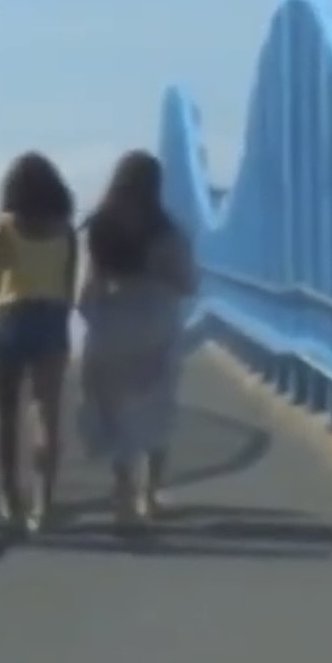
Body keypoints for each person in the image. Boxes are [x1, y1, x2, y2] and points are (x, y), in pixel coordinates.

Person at [77, 149, 195, 527]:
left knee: (119, 413)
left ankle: (124, 494)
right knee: (156, 408)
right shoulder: (167, 232)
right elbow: (186, 283)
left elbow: (88, 287)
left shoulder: (100, 227)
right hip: (156, 324)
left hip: (112, 324)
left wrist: (93, 319)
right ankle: (150, 495)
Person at [0, 151, 76, 533]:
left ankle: (10, 495)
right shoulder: (66, 228)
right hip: (51, 318)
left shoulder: (5, 225)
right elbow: (68, 283)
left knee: (6, 415)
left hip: (11, 318)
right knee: (46, 412)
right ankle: (42, 504)